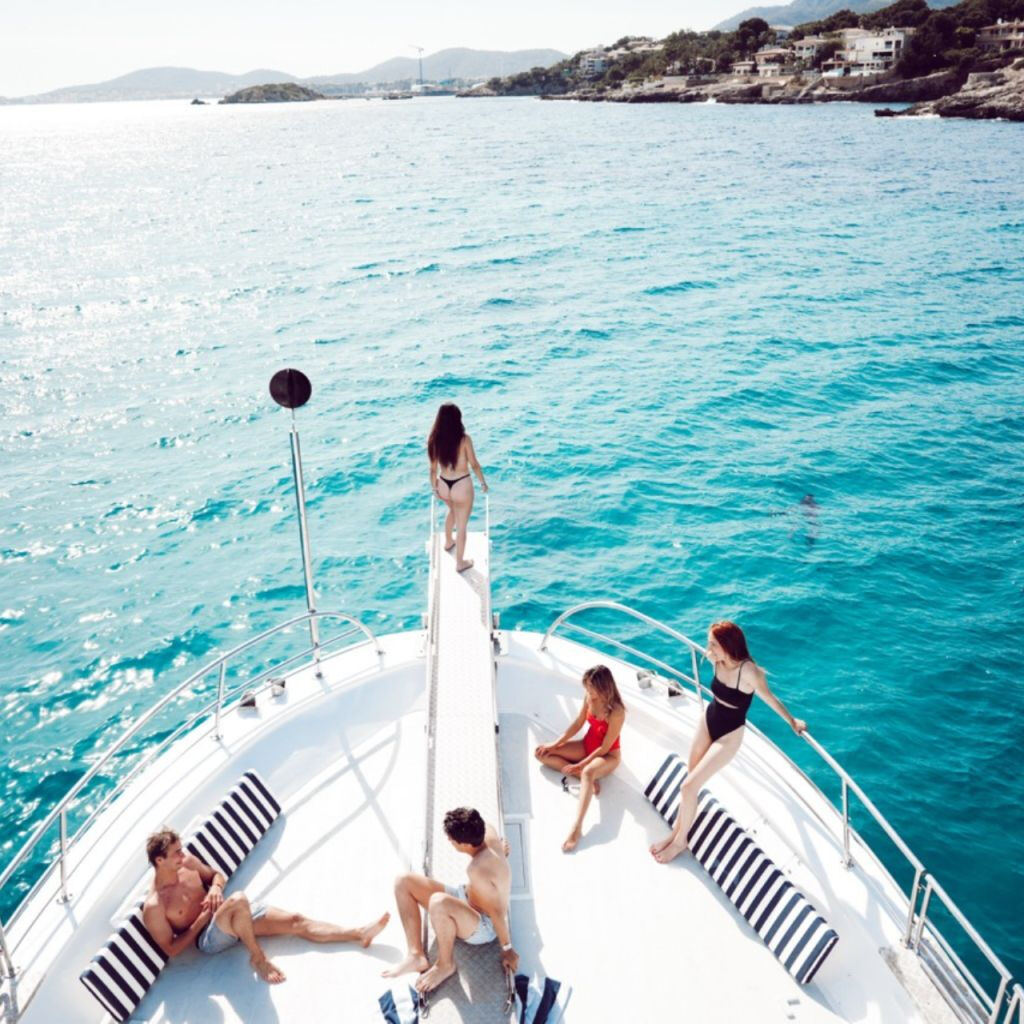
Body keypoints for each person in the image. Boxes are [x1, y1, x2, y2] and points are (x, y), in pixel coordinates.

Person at [141, 828, 389, 984]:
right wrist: (200, 922)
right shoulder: (155, 906)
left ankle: (358, 934)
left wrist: (216, 888)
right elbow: (172, 948)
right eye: (176, 853)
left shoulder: (189, 864)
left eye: (181, 849)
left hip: (228, 914)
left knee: (295, 920)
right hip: (207, 937)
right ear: (159, 860)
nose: (182, 856)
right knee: (238, 899)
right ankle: (258, 958)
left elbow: (216, 876)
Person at [649, 621, 807, 864]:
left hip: (729, 735)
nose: (708, 648)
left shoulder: (749, 672)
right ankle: (675, 833)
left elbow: (770, 699)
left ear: (727, 645)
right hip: (708, 721)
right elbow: (709, 656)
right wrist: (711, 653)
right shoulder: (715, 659)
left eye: (713, 643)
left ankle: (681, 842)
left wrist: (792, 721)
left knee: (688, 787)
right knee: (690, 780)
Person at [383, 807, 518, 994]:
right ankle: (416, 955)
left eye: (452, 840)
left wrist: (507, 949)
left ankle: (445, 964)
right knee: (403, 882)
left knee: (438, 902)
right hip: (466, 896)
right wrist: (502, 854)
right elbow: (497, 861)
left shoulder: (477, 869)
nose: (449, 841)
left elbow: (496, 912)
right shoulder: (489, 831)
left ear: (465, 845)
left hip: (482, 925)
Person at [534, 665, 625, 853]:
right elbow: (577, 724)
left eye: (592, 689)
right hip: (586, 745)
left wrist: (581, 765)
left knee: (588, 771)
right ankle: (586, 782)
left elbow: (606, 747)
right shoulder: (589, 698)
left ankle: (577, 827)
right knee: (541, 753)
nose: (588, 692)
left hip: (607, 756)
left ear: (604, 687)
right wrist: (555, 744)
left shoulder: (617, 712)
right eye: (587, 688)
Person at [427, 403, 488, 573]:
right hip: (461, 485)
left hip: (444, 485)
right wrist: (483, 482)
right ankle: (460, 563)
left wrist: (434, 488)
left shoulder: (434, 439)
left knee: (452, 511)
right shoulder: (464, 439)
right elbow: (474, 464)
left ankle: (448, 542)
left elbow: (432, 469)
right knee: (462, 525)